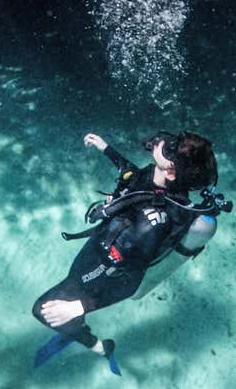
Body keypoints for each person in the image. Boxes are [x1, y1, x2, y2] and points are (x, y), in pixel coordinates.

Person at [32, 130, 224, 375]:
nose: (165, 142)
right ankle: (76, 326)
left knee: (41, 309)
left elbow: (129, 275)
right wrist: (106, 149)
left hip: (105, 273)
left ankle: (101, 347)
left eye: (171, 149)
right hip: (97, 253)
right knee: (67, 288)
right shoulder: (155, 177)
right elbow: (131, 175)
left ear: (171, 171)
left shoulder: (152, 225)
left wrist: (82, 306)